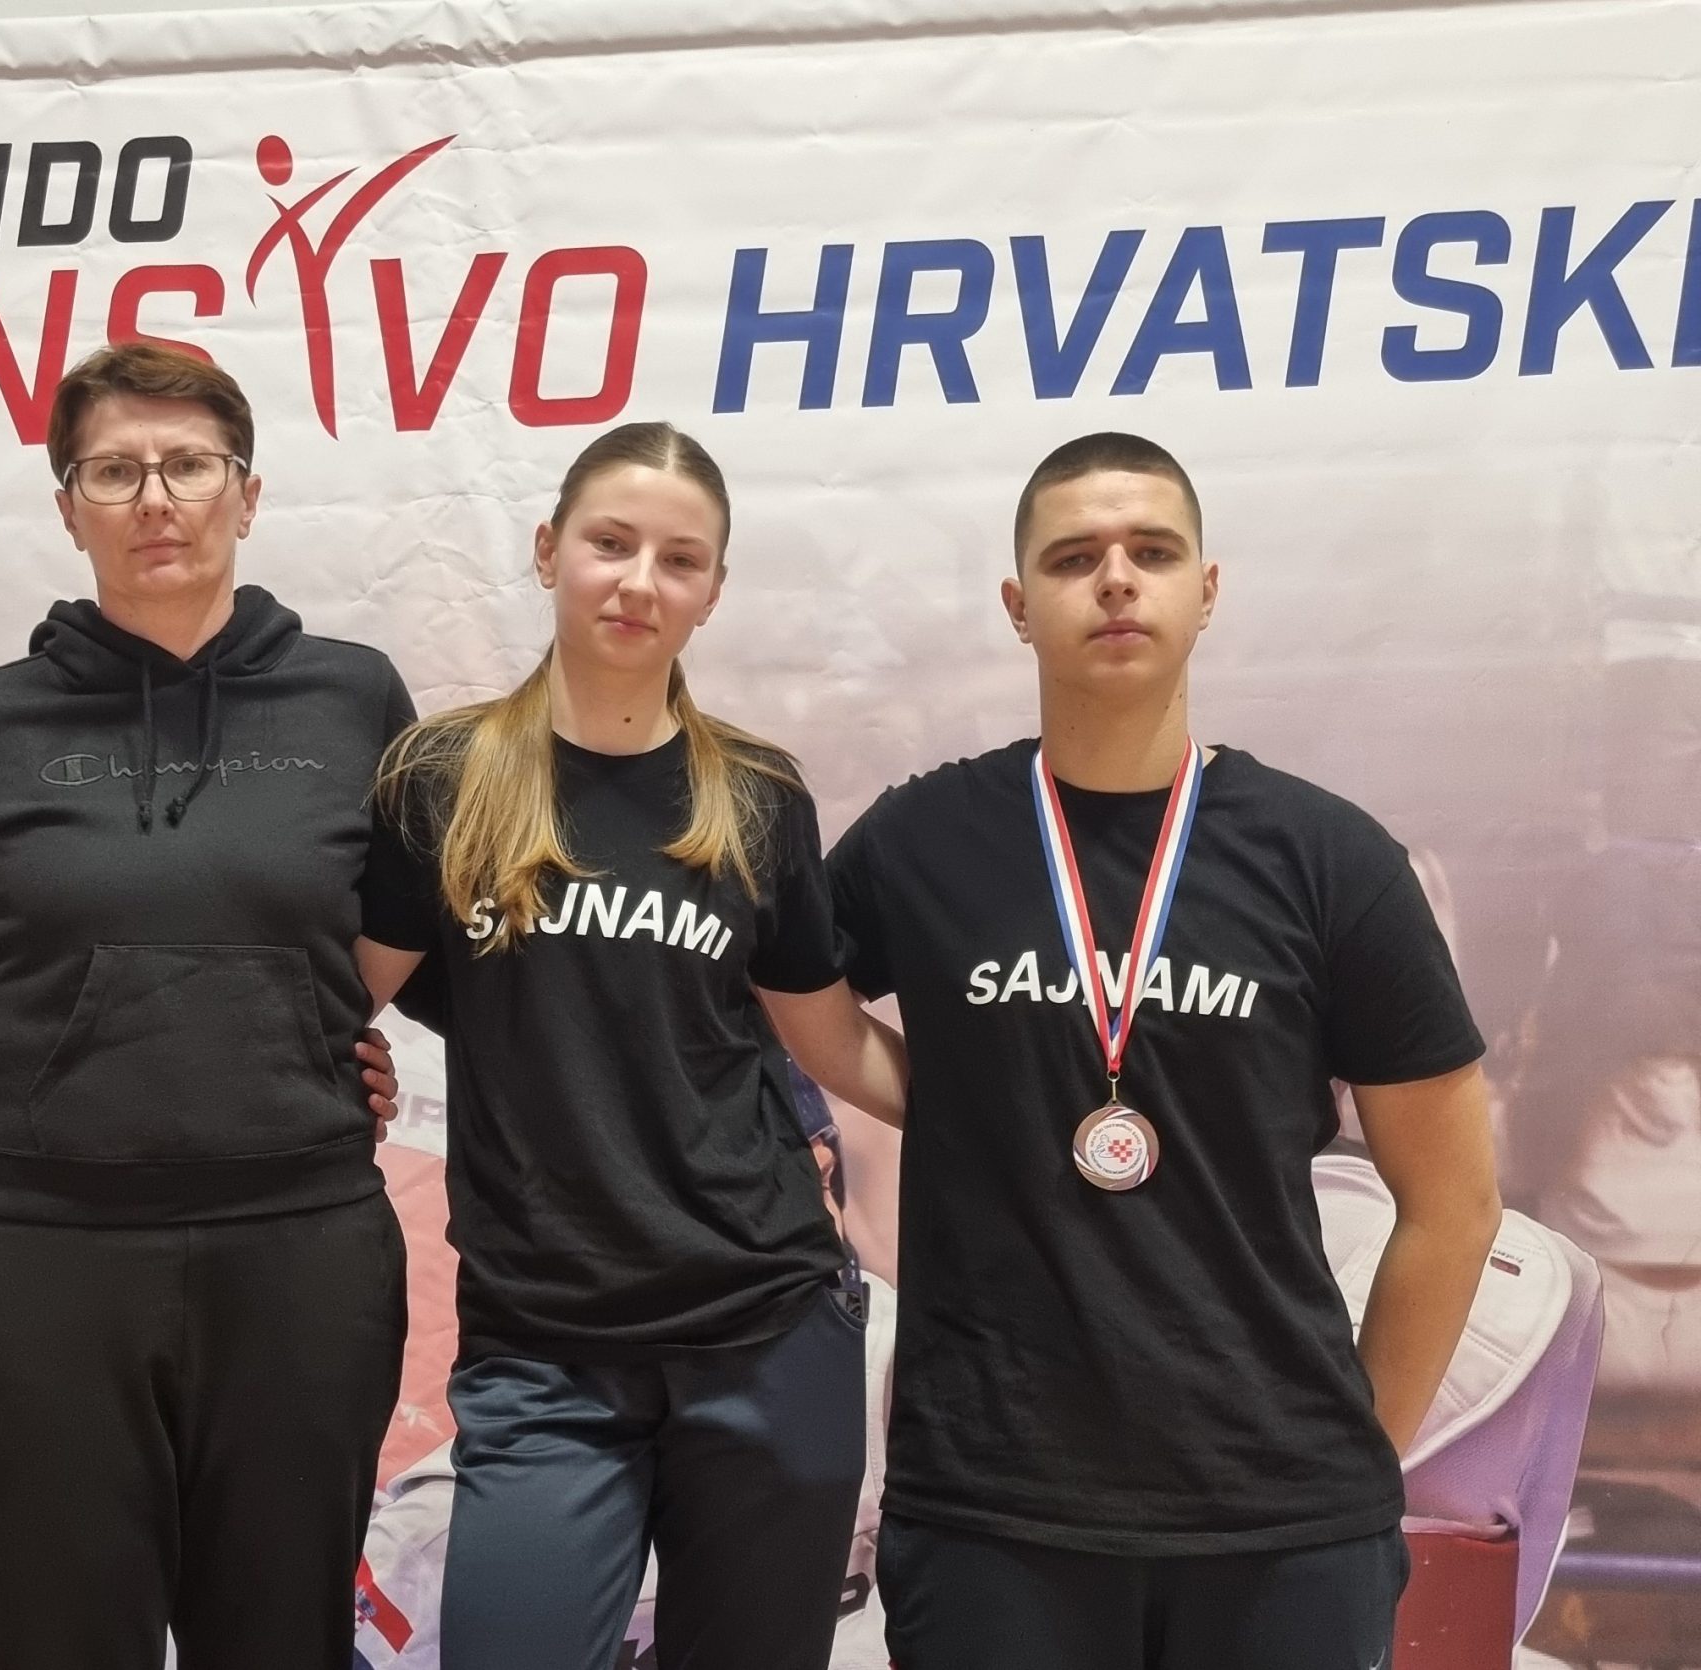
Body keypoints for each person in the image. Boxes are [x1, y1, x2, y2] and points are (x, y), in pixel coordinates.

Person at [825, 432, 1504, 1670]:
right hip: (991, 1509)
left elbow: (1452, 1200)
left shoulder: (1329, 859)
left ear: (1207, 589)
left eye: (1152, 550)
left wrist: (1358, 1456)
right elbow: (784, 996)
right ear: (1017, 605)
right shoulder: (923, 836)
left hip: (1280, 1523)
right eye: (1073, 558)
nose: (1116, 579)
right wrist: (938, 1092)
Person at [0, 341, 413, 1670]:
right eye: (114, 471)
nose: (155, 497)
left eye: (188, 465)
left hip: (299, 1253)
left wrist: (308, 1034)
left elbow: (439, 950)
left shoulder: (355, 700)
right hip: (39, 1263)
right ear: (69, 508)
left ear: (247, 492)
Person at [355, 421, 906, 1670]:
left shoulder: (754, 795)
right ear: (548, 548)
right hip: (545, 1351)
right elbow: (336, 998)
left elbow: (830, 1043)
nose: (638, 581)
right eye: (610, 543)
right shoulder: (441, 779)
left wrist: (1023, 1105)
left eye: (679, 558)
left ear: (713, 589)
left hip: (766, 1332)